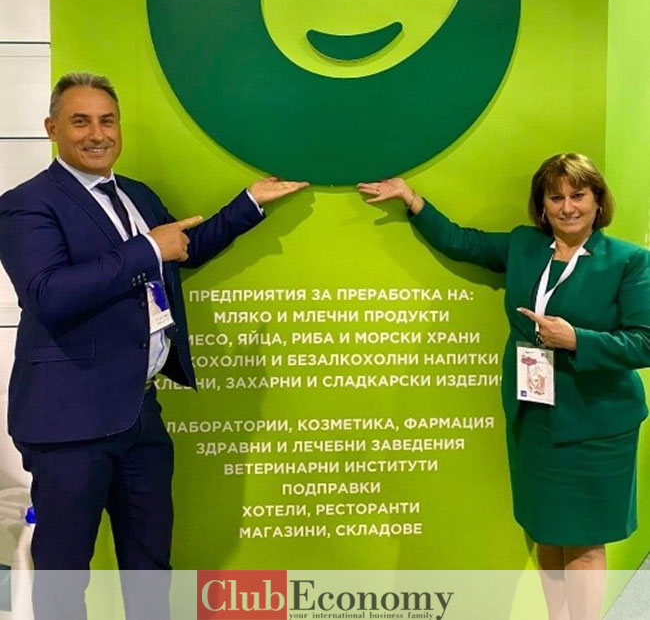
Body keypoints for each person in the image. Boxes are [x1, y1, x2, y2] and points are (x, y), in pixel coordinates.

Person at [0, 72, 308, 617]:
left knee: (149, 568)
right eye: (80, 121)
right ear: (52, 128)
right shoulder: (27, 204)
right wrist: (146, 249)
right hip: (69, 423)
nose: (97, 134)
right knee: (64, 576)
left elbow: (183, 248)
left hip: (140, 414)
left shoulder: (136, 195)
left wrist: (249, 203)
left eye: (107, 120)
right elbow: (48, 294)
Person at [358, 154, 650, 620]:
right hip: (534, 418)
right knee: (546, 529)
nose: (568, 207)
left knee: (585, 539)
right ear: (542, 206)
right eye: (556, 197)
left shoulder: (629, 261)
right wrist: (411, 199)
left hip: (596, 424)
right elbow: (462, 242)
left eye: (578, 195)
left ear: (598, 202)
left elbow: (644, 342)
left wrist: (577, 340)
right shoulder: (525, 246)